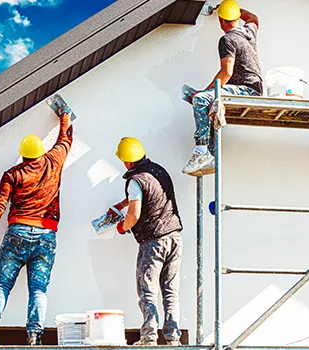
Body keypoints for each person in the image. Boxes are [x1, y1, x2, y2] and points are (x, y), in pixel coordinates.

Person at [0, 105, 73, 346]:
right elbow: (66, 139)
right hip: (45, 235)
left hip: (17, 233)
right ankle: (33, 334)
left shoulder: (13, 174)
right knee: (38, 289)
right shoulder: (53, 162)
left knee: (2, 283)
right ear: (41, 151)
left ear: (23, 155)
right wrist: (64, 115)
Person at [110, 137, 183, 346]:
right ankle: (173, 339)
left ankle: (149, 338)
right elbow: (154, 195)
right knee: (170, 291)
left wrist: (123, 226)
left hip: (154, 241)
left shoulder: (135, 180)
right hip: (175, 237)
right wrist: (123, 202)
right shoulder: (158, 171)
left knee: (147, 289)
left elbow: (134, 214)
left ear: (127, 161)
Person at [182, 0, 263, 176]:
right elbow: (253, 18)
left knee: (201, 99)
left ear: (221, 21)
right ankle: (211, 152)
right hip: (254, 87)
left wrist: (204, 92)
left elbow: (226, 72)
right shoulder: (248, 32)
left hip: (245, 89)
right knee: (208, 104)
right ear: (236, 18)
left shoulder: (227, 39)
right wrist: (232, 9)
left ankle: (202, 152)